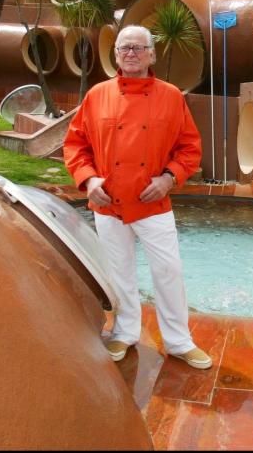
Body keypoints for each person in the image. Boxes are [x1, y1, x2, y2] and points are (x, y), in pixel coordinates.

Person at [63, 24, 211, 369]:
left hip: (153, 202)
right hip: (107, 204)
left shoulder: (172, 95)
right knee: (119, 273)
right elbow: (75, 145)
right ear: (116, 54)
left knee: (168, 271)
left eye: (138, 48)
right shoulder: (97, 94)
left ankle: (178, 341)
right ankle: (124, 333)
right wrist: (88, 181)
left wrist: (169, 178)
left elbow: (190, 148)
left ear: (152, 54)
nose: (131, 54)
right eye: (124, 48)